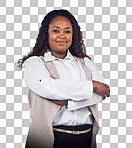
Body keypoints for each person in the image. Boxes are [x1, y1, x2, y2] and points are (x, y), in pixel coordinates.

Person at [18, 9, 110, 148]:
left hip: (86, 137)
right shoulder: (35, 63)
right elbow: (49, 87)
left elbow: (101, 93)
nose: (62, 36)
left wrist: (68, 101)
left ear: (73, 35)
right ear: (46, 34)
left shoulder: (85, 62)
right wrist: (92, 86)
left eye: (67, 31)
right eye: (56, 31)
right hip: (52, 139)